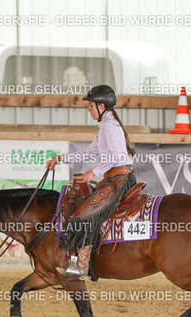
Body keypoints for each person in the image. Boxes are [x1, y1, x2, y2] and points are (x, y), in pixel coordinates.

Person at [46, 84, 136, 279]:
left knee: (84, 214)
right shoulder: (106, 125)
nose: (88, 109)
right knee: (84, 208)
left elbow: (115, 157)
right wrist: (61, 158)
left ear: (101, 106)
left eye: (90, 105)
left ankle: (81, 266)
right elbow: (89, 152)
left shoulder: (109, 126)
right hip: (114, 178)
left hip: (119, 179)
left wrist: (93, 172)